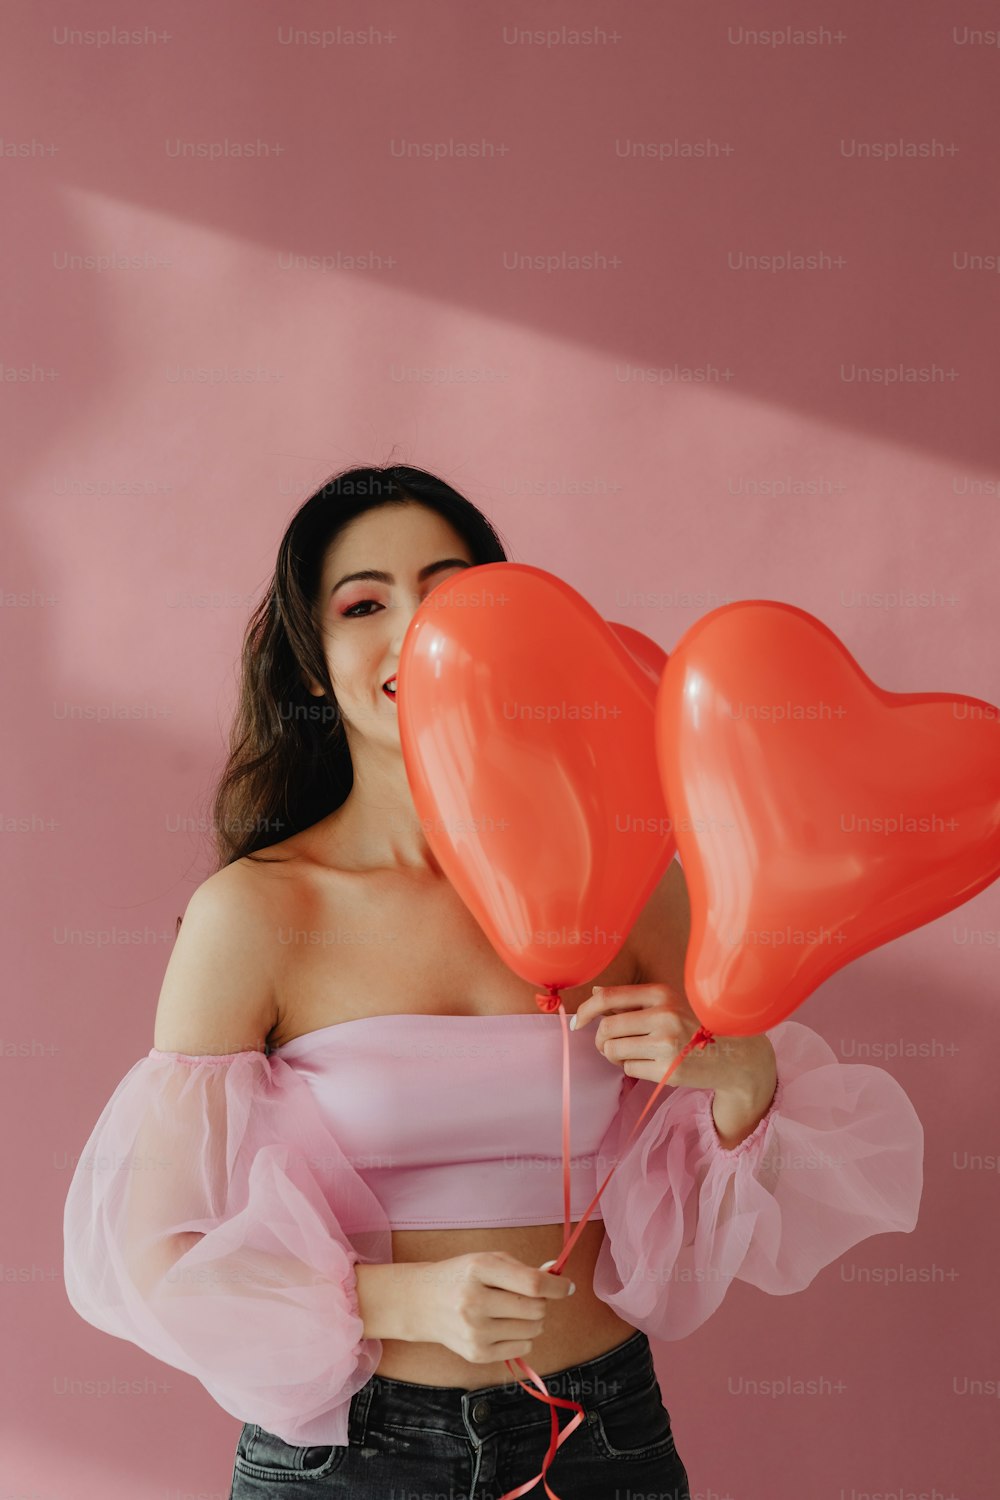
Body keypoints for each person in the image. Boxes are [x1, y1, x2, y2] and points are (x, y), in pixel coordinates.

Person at [62, 464, 925, 1499]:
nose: (419, 628)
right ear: (313, 669)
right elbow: (157, 1252)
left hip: (598, 1439)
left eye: (451, 590)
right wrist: (400, 1300)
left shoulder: (641, 883)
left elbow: (726, 1211)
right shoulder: (258, 914)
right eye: (366, 603)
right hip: (350, 1459)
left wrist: (741, 1087)